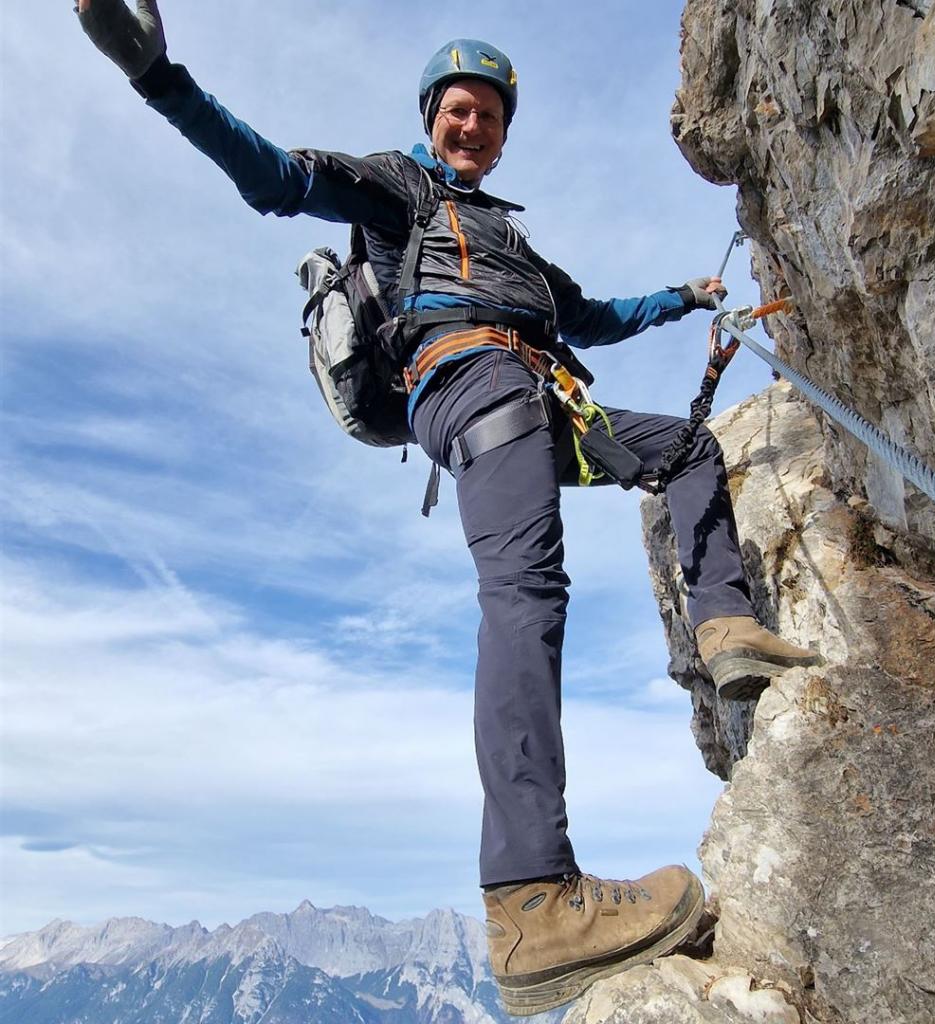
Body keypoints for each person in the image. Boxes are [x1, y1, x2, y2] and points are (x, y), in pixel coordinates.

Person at [77, 1, 820, 1015]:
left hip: (543, 393)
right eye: (457, 110)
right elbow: (277, 178)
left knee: (687, 447)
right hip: (471, 385)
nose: (471, 127)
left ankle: (726, 623)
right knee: (526, 592)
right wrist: (160, 78)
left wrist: (685, 298)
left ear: (505, 131)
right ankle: (530, 896)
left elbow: (593, 314)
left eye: (488, 114)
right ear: (432, 119)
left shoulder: (510, 243)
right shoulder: (399, 191)